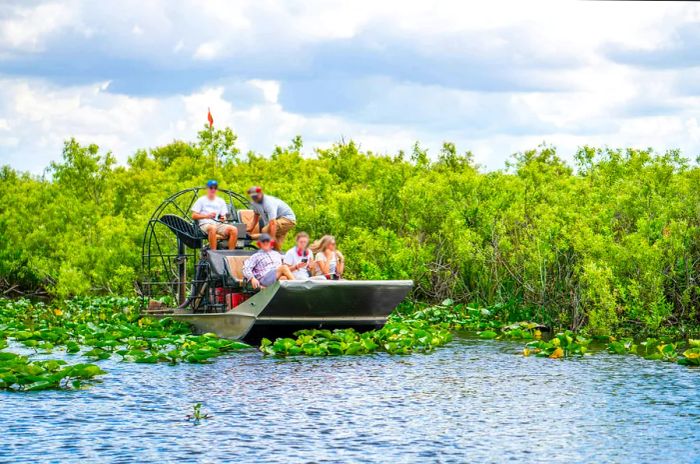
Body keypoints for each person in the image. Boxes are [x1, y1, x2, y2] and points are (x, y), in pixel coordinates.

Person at [246, 186, 296, 251]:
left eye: (256, 196)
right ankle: (278, 255)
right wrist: (250, 229)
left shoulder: (268, 203)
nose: (254, 198)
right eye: (253, 196)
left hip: (287, 219)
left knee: (265, 230)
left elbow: (273, 223)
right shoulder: (255, 203)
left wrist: (271, 239)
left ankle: (252, 237)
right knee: (275, 249)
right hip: (277, 222)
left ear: (261, 194)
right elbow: (256, 215)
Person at [191, 180, 237, 250]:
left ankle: (230, 254)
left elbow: (225, 215)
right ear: (207, 189)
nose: (213, 190)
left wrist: (223, 218)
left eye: (215, 188)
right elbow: (193, 216)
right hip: (205, 224)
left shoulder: (221, 201)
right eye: (211, 188)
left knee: (234, 229)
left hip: (218, 224)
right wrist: (206, 216)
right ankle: (214, 253)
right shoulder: (201, 200)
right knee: (213, 228)